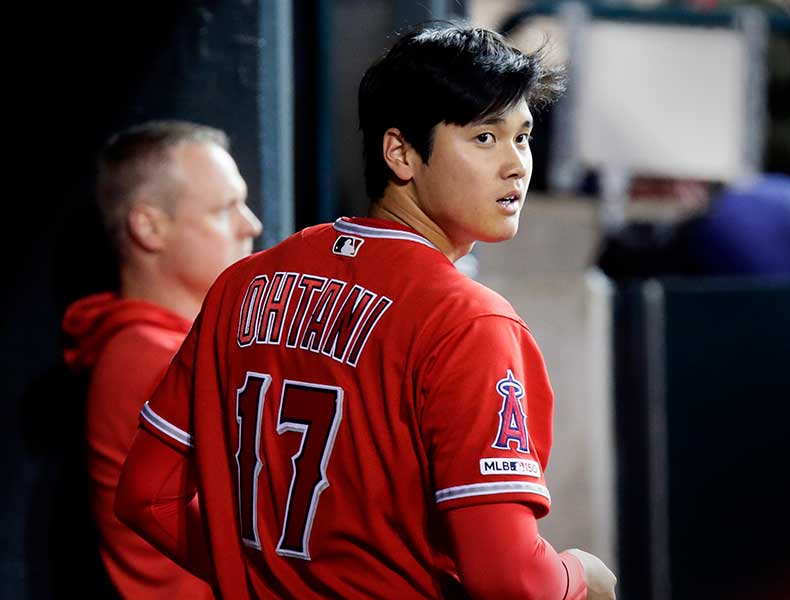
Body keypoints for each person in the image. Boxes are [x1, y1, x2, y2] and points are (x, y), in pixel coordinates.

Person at [115, 24, 617, 599]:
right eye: (484, 137)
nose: (514, 165)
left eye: (521, 137)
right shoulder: (467, 322)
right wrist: (582, 578)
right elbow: (510, 579)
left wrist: (250, 573)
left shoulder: (242, 284)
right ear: (400, 153)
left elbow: (147, 495)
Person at [63, 120, 263, 599]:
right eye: (224, 209)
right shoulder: (152, 357)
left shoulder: (156, 345)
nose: (251, 225)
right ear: (149, 226)